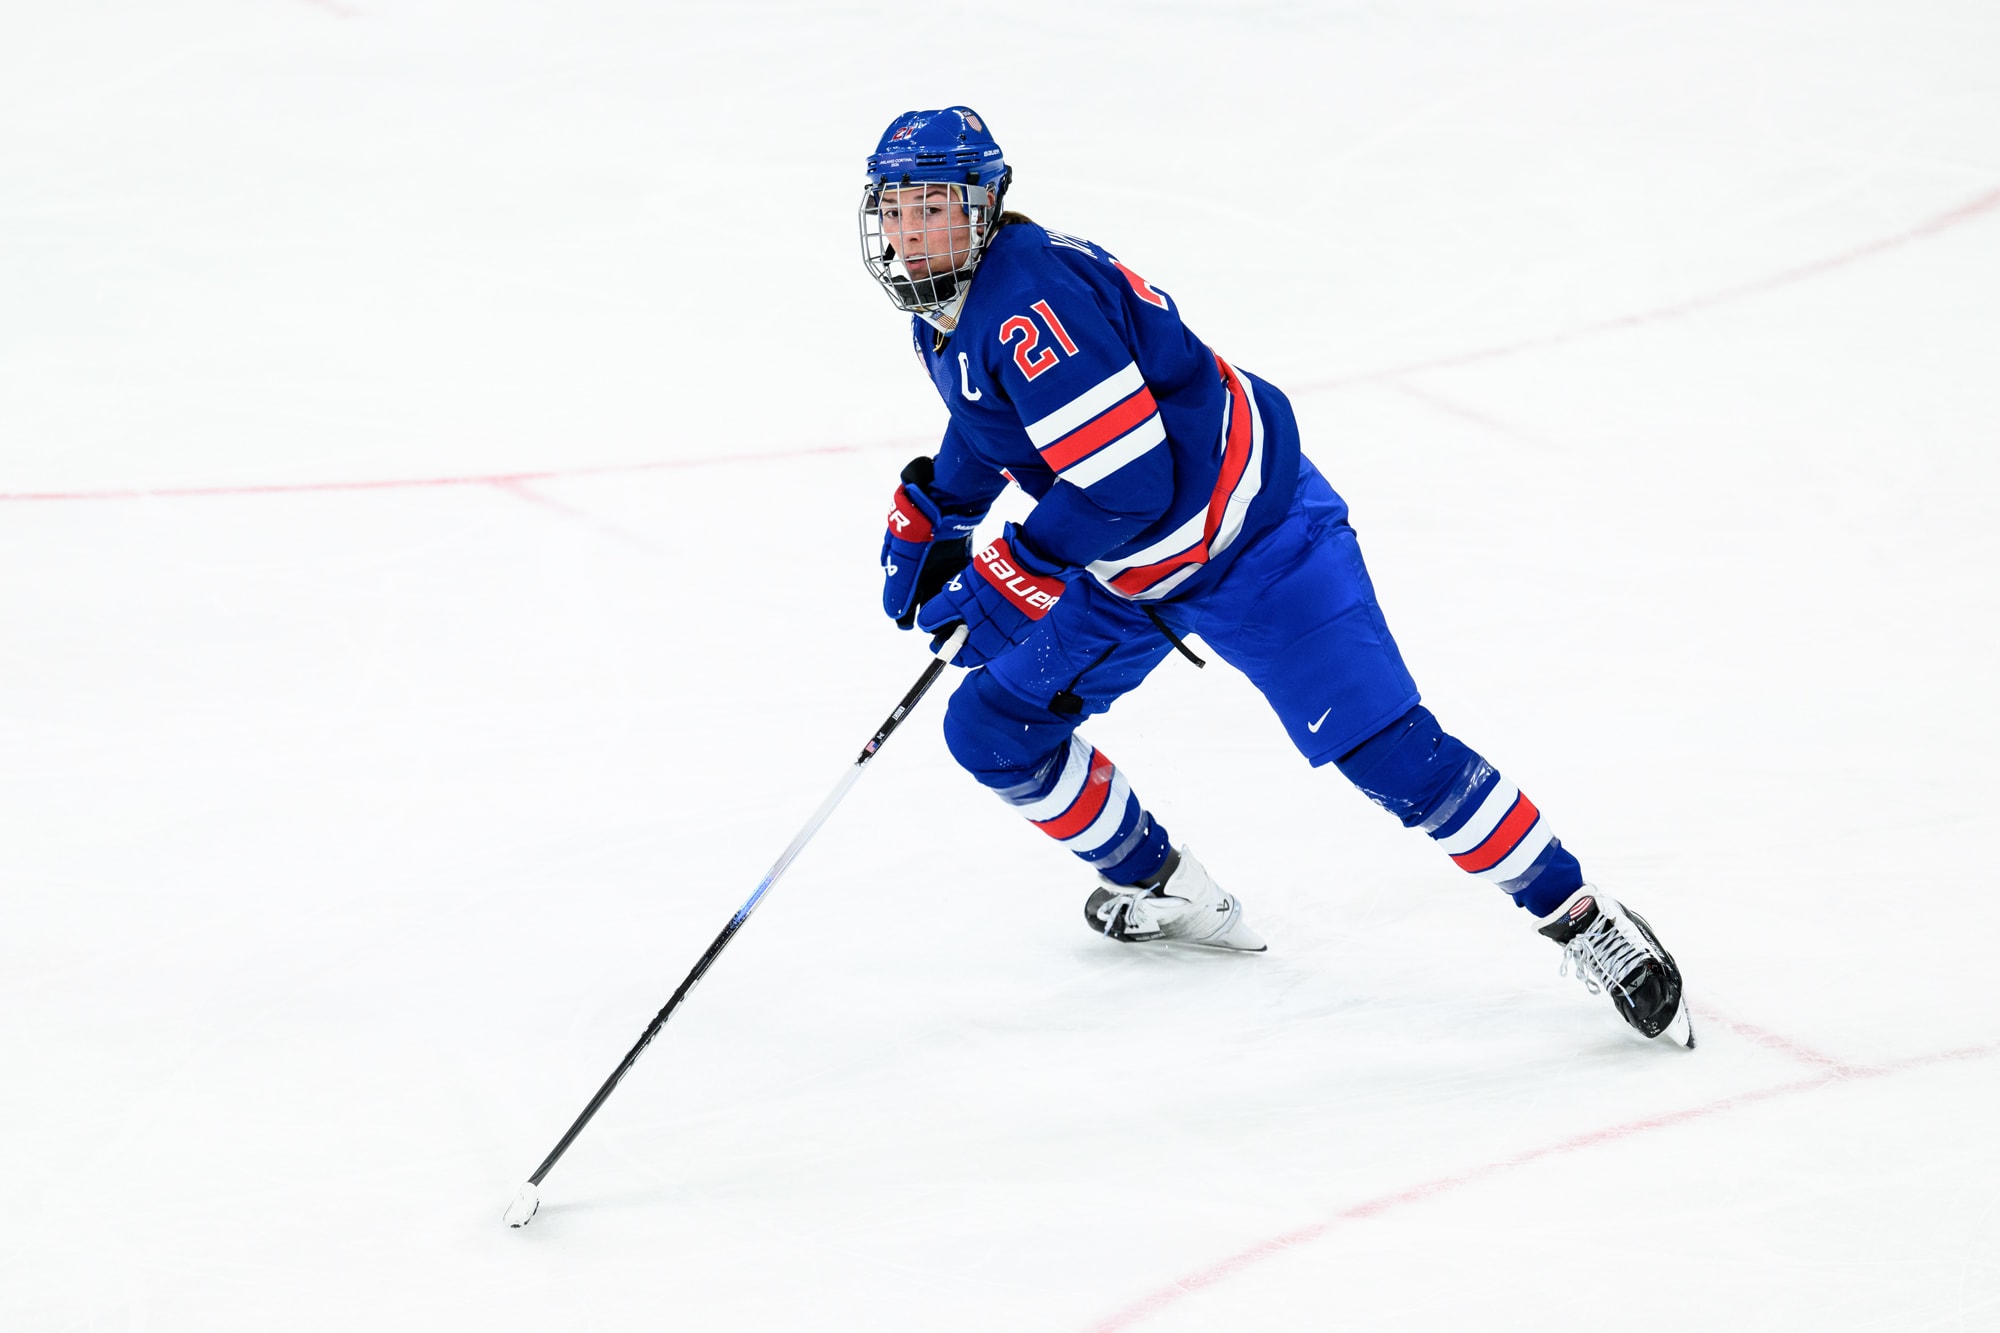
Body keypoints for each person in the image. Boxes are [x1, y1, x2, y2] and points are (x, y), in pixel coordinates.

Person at [859, 106, 1693, 1049]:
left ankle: (1582, 917)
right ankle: (1168, 891)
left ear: (984, 208)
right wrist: (939, 510)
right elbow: (993, 420)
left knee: (1390, 752)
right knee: (991, 727)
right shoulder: (955, 308)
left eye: (937, 206)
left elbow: (1131, 480)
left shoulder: (1028, 303)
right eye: (897, 209)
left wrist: (1020, 566)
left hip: (1258, 541)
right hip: (1134, 566)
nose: (913, 230)